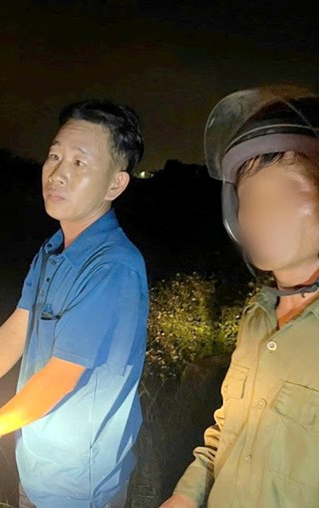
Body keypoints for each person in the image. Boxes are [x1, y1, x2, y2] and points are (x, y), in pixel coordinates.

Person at [0, 99, 148, 507]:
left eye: (79, 162)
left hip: (80, 485)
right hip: (40, 464)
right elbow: (15, 332)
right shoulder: (55, 248)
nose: (57, 173)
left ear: (115, 184)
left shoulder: (113, 268)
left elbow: (59, 378)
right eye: (55, 156)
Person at [161, 85, 319, 508]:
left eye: (287, 191)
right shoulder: (257, 318)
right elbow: (231, 429)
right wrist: (185, 496)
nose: (261, 213)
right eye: (250, 196)